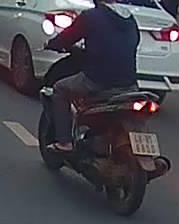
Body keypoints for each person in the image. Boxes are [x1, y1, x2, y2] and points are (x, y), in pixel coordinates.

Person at [43, 0, 140, 153]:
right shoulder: (130, 19)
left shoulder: (90, 16)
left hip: (97, 81)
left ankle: (65, 142)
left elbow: (67, 37)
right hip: (130, 85)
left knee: (60, 90)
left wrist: (52, 44)